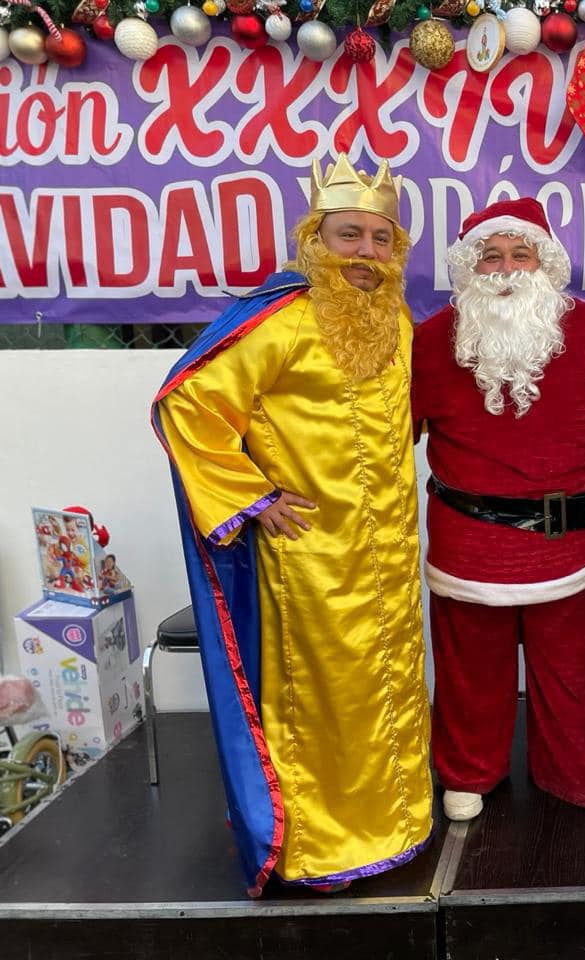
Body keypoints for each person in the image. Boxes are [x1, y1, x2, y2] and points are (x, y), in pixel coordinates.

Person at [153, 155, 432, 894]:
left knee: (388, 689)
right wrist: (256, 496)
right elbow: (187, 402)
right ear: (315, 239)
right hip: (310, 557)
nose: (366, 252)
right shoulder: (279, 320)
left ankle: (394, 826)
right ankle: (320, 848)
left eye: (380, 238)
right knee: (324, 702)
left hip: (389, 552)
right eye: (350, 235)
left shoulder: (396, 320)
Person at [411, 197, 585, 823]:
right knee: (470, 674)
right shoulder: (429, 341)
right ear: (469, 269)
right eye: (490, 257)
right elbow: (386, 438)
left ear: (545, 262)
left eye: (519, 254)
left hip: (573, 545)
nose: (505, 269)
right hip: (469, 546)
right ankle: (468, 770)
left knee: (572, 674)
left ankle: (573, 775)